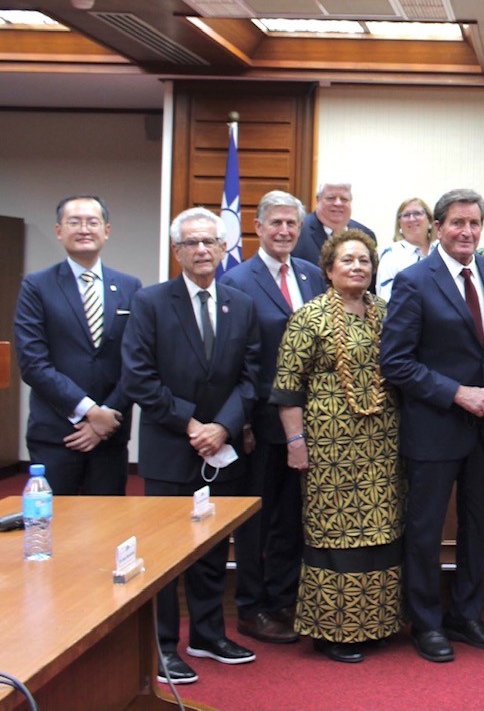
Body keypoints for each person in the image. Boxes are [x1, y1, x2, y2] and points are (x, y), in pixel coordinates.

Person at [122, 207, 261, 685]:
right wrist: (192, 424)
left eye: (210, 242)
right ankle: (161, 646)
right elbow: (138, 377)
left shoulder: (241, 304)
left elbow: (252, 377)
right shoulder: (151, 302)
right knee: (163, 552)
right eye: (191, 243)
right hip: (170, 447)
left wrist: (222, 427)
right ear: (177, 251)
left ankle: (207, 634)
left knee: (211, 545)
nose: (202, 250)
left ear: (224, 248)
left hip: (221, 448)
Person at [380, 189, 484, 664]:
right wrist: (457, 392)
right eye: (457, 223)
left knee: (478, 526)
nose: (467, 232)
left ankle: (466, 614)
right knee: (426, 530)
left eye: (475, 223)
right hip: (434, 426)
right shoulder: (415, 280)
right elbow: (394, 362)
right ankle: (427, 622)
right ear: (438, 227)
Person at [270, 229, 404, 664]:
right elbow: (288, 389)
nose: (357, 267)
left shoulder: (385, 313)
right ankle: (334, 632)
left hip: (382, 445)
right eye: (347, 260)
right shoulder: (309, 318)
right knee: (335, 536)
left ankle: (376, 624)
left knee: (380, 532)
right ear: (329, 269)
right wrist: (295, 442)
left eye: (364, 260)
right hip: (328, 448)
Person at [220, 190, 325, 646]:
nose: (284, 231)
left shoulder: (314, 275)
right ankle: (250, 607)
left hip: (310, 420)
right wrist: (239, 421)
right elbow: (233, 360)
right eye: (276, 223)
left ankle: (283, 599)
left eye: (292, 225)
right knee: (256, 519)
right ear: (258, 228)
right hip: (260, 423)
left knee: (292, 515)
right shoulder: (238, 281)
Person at [15, 195, 141, 495]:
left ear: (106, 230)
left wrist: (106, 415)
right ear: (59, 231)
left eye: (92, 222)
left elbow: (137, 360)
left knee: (108, 529)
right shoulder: (37, 286)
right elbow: (33, 363)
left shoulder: (129, 286)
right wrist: (88, 411)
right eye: (74, 222)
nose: (84, 229)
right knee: (54, 530)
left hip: (111, 434)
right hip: (57, 435)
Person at [292, 180, 377, 267]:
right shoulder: (299, 232)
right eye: (331, 198)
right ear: (318, 200)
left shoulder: (366, 234)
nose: (338, 203)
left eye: (344, 199)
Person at [377, 196, 434, 300]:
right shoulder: (391, 256)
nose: (412, 219)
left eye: (417, 213)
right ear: (399, 225)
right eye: (406, 215)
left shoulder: (442, 250)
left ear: (430, 221)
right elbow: (385, 301)